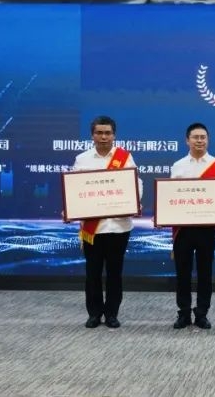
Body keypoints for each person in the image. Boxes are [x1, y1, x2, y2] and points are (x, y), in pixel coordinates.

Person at [73, 115, 142, 329]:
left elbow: (136, 184)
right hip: (92, 228)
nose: (103, 137)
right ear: (92, 135)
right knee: (92, 273)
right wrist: (72, 207)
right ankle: (94, 314)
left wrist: (133, 203)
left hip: (118, 226)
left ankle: (112, 314)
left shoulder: (124, 158)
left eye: (108, 133)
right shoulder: (82, 160)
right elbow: (75, 189)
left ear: (114, 135)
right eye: (99, 133)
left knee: (114, 272)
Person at [169, 123, 215, 330]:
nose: (199, 141)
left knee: (205, 272)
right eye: (195, 137)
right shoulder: (178, 166)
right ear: (187, 140)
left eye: (203, 137)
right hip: (183, 228)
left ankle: (202, 313)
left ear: (208, 140)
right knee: (183, 272)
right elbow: (170, 196)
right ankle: (184, 313)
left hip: (207, 227)